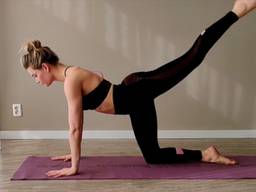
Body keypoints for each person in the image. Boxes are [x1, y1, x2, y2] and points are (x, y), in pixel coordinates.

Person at [20, 0, 256, 178]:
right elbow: (99, 80)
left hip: (137, 91)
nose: (36, 80)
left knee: (192, 58)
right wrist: (74, 153)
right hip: (135, 99)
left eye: (34, 75)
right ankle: (206, 154)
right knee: (152, 157)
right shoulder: (72, 74)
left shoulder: (71, 81)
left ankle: (237, 10)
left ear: (44, 67)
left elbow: (75, 128)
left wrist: (74, 166)